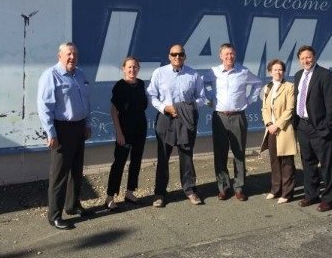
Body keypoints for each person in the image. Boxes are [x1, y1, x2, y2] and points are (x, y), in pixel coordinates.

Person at [37, 42, 92, 230]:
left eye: (74, 54)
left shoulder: (80, 74)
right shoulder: (51, 75)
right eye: (68, 54)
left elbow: (86, 102)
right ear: (59, 56)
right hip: (62, 129)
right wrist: (51, 132)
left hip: (79, 127)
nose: (72, 57)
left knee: (76, 170)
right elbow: (44, 107)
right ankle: (54, 216)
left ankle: (72, 205)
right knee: (59, 174)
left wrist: (87, 123)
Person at [147, 44, 206, 207]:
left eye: (180, 54)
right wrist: (164, 108)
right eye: (174, 54)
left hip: (185, 119)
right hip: (165, 118)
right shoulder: (159, 73)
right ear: (169, 56)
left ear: (184, 56)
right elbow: (151, 95)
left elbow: (201, 98)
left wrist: (187, 108)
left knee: (186, 156)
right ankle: (159, 193)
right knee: (163, 157)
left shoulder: (193, 74)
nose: (177, 57)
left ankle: (190, 190)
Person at [206, 43, 262, 201]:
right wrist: (209, 99)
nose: (229, 56)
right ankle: (223, 188)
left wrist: (249, 100)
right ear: (220, 56)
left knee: (239, 153)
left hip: (238, 117)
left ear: (235, 55)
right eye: (226, 54)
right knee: (220, 153)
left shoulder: (243, 71)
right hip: (220, 117)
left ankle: (239, 187)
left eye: (231, 54)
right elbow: (201, 84)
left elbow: (258, 83)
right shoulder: (213, 72)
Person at [293, 45, 332, 212]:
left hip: (320, 128)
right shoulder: (298, 75)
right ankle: (312, 195)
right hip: (302, 126)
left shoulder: (326, 75)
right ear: (299, 60)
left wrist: (328, 127)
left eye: (308, 57)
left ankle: (328, 199)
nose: (306, 60)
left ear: (314, 57)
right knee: (308, 164)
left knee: (327, 165)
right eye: (302, 58)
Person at [105, 56, 148, 211]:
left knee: (136, 161)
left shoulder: (141, 84)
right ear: (124, 69)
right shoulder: (120, 86)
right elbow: (114, 111)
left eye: (135, 67)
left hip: (140, 129)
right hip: (124, 130)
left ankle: (129, 192)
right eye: (129, 67)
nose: (132, 70)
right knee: (119, 163)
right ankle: (110, 197)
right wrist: (119, 133)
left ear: (138, 69)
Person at [260, 59, 296, 204]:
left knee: (287, 163)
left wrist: (277, 125)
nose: (278, 72)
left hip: (284, 130)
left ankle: (287, 193)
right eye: (275, 70)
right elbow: (264, 108)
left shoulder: (289, 86)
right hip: (270, 130)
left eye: (280, 69)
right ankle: (275, 189)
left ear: (284, 72)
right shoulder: (267, 87)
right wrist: (269, 124)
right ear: (270, 72)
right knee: (274, 161)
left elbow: (290, 109)